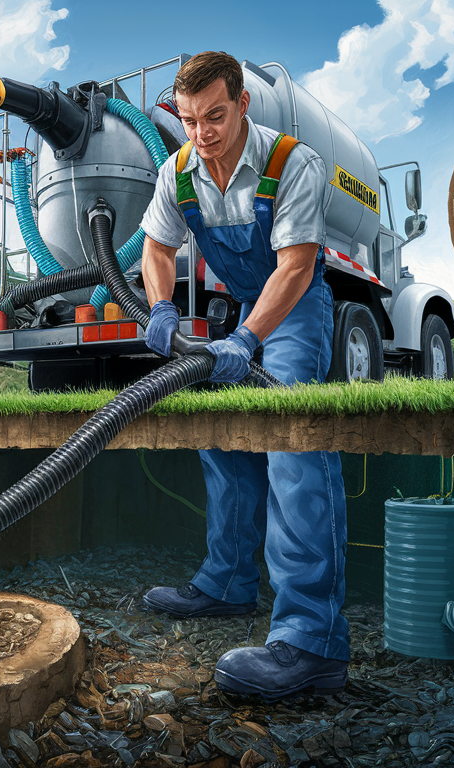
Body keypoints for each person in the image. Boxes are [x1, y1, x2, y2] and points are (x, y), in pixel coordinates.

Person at [137, 51, 349, 701]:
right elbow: (155, 248)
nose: (203, 132)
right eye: (191, 118)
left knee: (292, 445)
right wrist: (164, 304)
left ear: (243, 105)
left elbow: (295, 266)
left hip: (292, 309)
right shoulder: (177, 174)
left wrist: (249, 338)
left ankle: (312, 642)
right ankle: (228, 584)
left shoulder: (292, 164)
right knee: (219, 431)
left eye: (217, 116)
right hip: (239, 313)